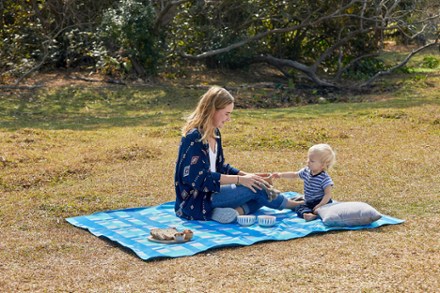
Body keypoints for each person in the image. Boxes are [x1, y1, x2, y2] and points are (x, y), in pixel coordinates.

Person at [174, 86, 304, 224]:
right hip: (197, 199)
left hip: (213, 192)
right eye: (226, 113)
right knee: (256, 189)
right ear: (212, 110)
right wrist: (240, 180)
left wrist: (248, 176)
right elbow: (199, 178)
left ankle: (234, 212)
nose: (228, 119)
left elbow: (220, 166)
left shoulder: (215, 133)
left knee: (256, 187)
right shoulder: (194, 138)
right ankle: (293, 205)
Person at [272, 143, 336, 221]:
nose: (308, 162)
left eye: (312, 161)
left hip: (321, 201)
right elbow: (294, 175)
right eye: (308, 159)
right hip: (308, 201)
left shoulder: (324, 178)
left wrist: (320, 205)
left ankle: (317, 212)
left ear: (322, 165)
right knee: (297, 206)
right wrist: (280, 175)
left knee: (323, 209)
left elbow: (327, 194)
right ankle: (308, 214)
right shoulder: (306, 171)